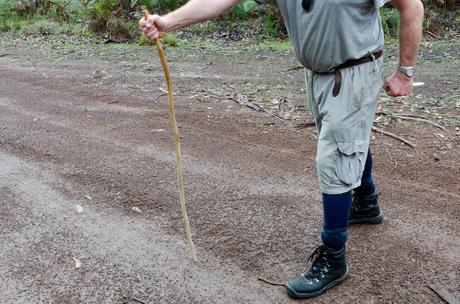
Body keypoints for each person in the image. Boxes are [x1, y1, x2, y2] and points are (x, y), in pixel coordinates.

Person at [140, 0, 424, 299]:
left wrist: (405, 72)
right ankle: (366, 202)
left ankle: (333, 257)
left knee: (335, 157)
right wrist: (168, 22)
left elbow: (412, 6)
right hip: (318, 73)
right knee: (347, 142)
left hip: (357, 70)